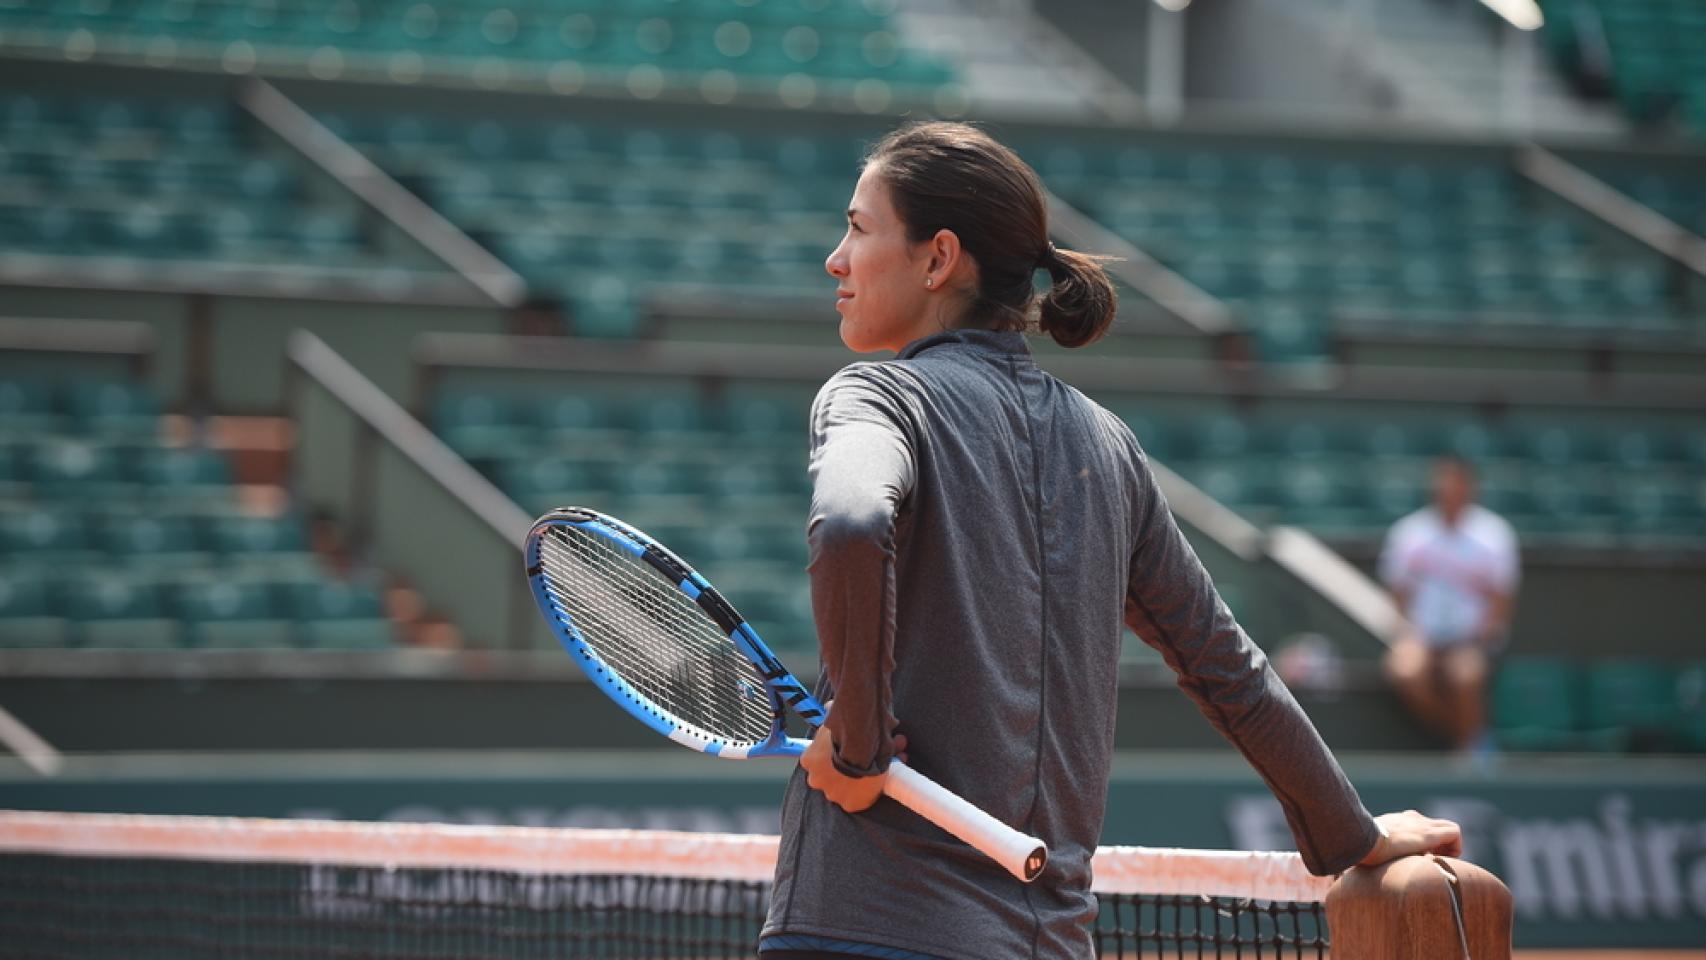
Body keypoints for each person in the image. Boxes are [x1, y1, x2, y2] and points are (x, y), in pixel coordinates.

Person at [759, 122, 1461, 960]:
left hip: (864, 927)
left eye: (858, 228)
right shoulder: (1108, 444)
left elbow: (849, 523)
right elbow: (1224, 664)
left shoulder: (876, 394)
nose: (836, 258)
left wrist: (860, 744)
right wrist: (1349, 834)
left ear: (939, 258)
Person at [1380, 455, 1520, 755]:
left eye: (1456, 483)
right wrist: (1409, 633)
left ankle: (1468, 753)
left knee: (1465, 676)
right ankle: (1462, 737)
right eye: (1443, 483)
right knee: (1405, 672)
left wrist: (1481, 640)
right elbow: (1398, 592)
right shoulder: (1410, 532)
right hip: (1423, 636)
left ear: (1469, 487)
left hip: (1470, 640)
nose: (1449, 490)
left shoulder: (1494, 534)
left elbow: (1501, 598)